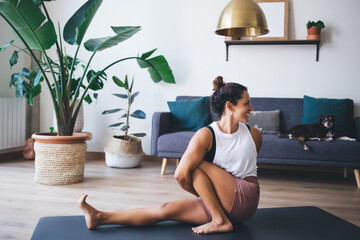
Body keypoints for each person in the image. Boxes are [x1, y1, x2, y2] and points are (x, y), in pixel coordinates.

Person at [78, 76, 262, 234]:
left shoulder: (254, 135)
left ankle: (220, 221)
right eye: (247, 103)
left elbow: (243, 171)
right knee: (163, 210)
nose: (251, 108)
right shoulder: (206, 135)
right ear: (230, 106)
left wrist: (210, 192)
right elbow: (180, 177)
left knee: (194, 166)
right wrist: (209, 197)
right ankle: (100, 217)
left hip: (245, 199)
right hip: (220, 203)